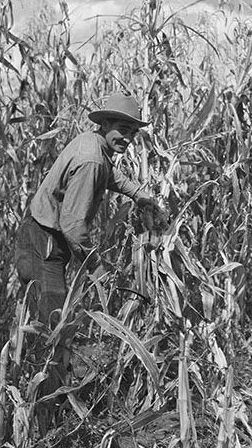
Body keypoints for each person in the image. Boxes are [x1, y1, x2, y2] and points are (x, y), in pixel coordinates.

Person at [13, 94, 163, 410]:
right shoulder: (91, 159)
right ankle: (45, 413)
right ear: (105, 124)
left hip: (42, 236)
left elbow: (112, 176)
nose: (128, 137)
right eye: (123, 128)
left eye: (133, 132)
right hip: (44, 241)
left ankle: (49, 398)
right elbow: (71, 224)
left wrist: (143, 197)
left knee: (53, 322)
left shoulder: (93, 145)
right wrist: (96, 265)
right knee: (54, 327)